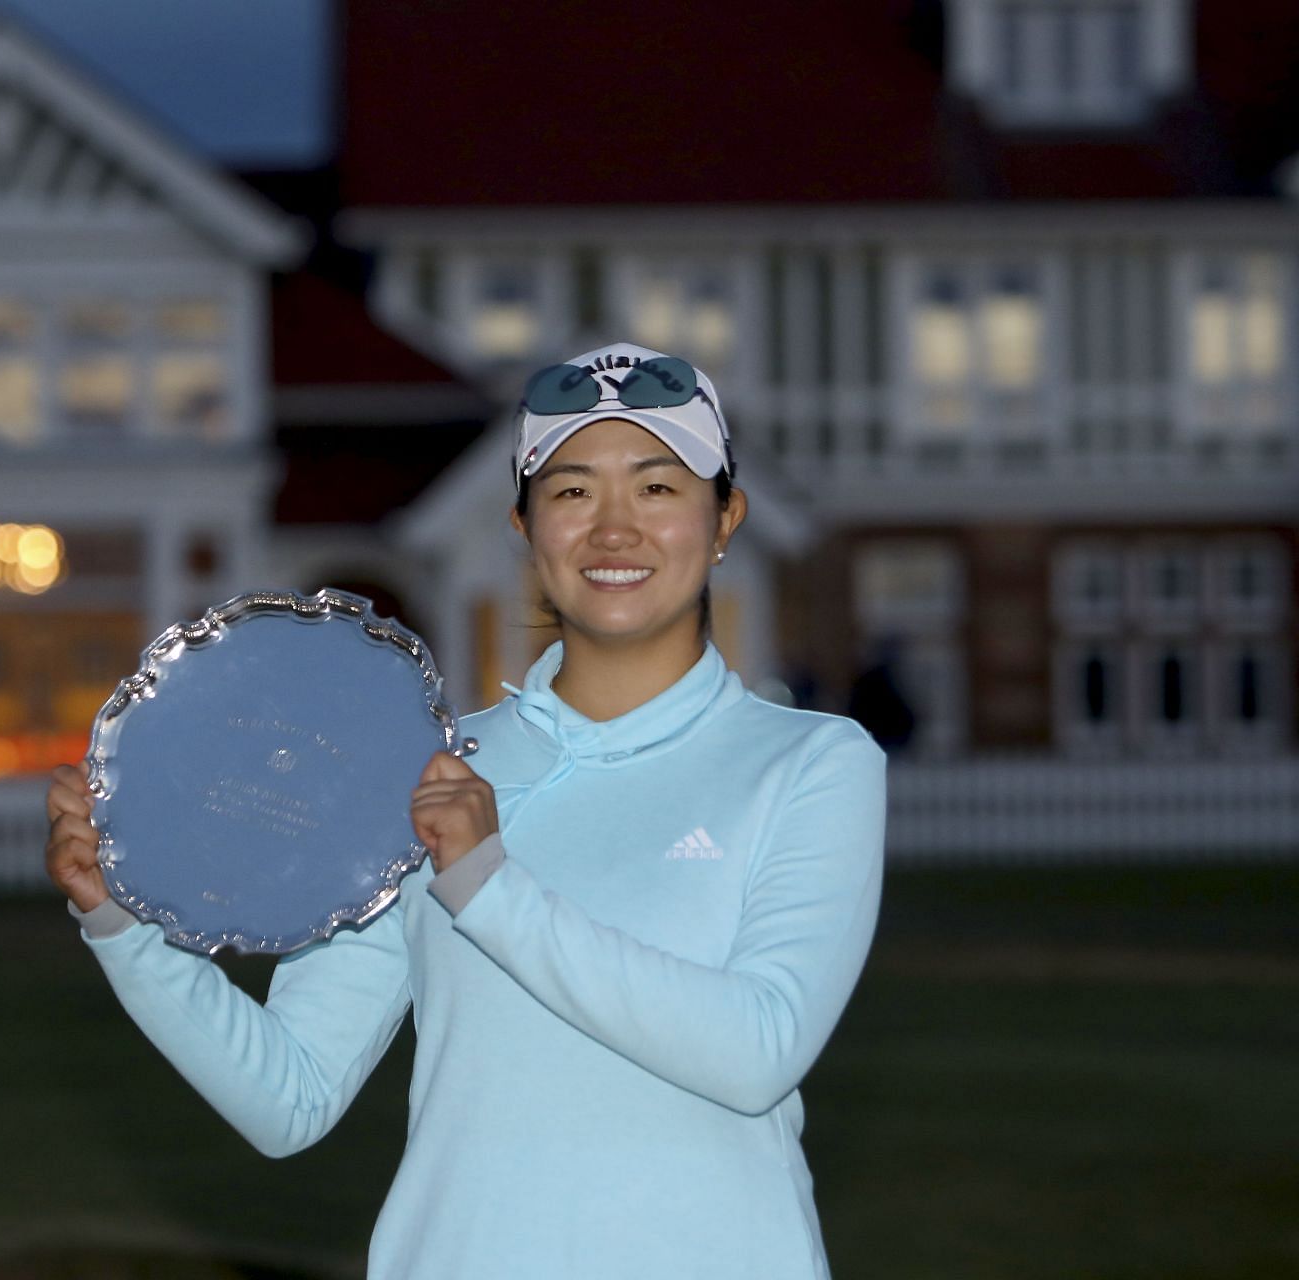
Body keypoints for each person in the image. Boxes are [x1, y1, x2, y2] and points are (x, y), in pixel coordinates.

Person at [45, 342, 887, 1279]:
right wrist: (119, 923)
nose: (614, 529)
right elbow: (288, 1097)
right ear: (525, 527)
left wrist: (487, 883)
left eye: (657, 488)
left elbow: (756, 1050)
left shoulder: (812, 763)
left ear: (724, 519)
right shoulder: (427, 772)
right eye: (571, 492)